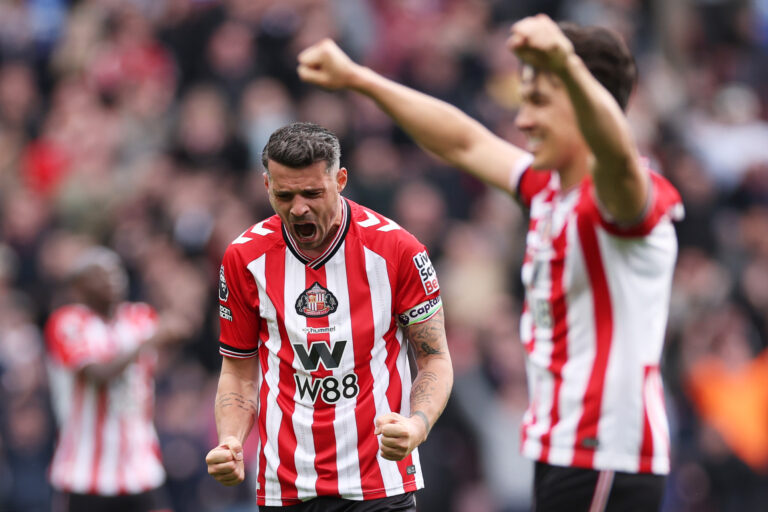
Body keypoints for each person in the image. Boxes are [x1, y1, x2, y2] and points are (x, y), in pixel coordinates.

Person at [297, 14, 683, 512]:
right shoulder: (549, 190)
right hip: (561, 452)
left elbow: (617, 157)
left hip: (605, 453)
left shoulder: (624, 198)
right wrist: (359, 78)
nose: (523, 120)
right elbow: (464, 142)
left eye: (539, 102)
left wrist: (564, 61)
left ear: (589, 105)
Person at [205, 122, 453, 511]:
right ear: (266, 186)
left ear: (340, 180)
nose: (298, 207)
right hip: (284, 484)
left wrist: (416, 426)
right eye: (284, 195)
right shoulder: (244, 258)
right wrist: (231, 440)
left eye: (312, 193)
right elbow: (237, 370)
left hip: (379, 482)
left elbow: (435, 357)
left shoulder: (398, 250)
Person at [44, 246, 190, 512]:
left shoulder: (139, 316)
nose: (114, 277)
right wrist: (149, 341)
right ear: (79, 286)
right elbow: (97, 375)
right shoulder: (67, 322)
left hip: (141, 465)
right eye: (102, 273)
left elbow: (178, 331)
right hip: (85, 471)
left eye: (117, 270)